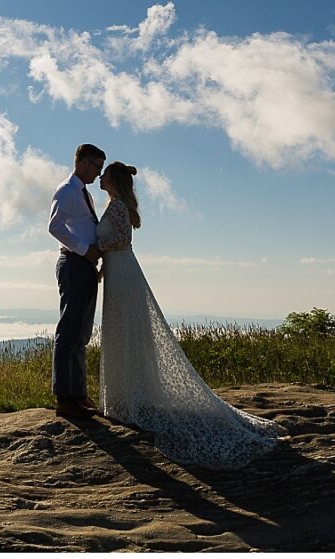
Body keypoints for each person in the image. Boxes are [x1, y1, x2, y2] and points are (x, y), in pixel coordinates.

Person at [95, 160, 286, 468]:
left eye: (104, 175)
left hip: (123, 273)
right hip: (118, 272)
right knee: (123, 331)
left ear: (113, 180)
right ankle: (126, 396)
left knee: (125, 331)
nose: (99, 178)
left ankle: (128, 399)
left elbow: (122, 240)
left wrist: (95, 247)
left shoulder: (116, 207)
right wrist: (103, 266)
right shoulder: (115, 205)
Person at [48, 142, 106, 417]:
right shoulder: (67, 191)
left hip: (84, 265)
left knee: (81, 333)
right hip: (73, 263)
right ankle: (64, 398)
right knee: (69, 331)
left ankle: (78, 393)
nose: (98, 173)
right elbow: (54, 226)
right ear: (83, 162)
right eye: (96, 166)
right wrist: (84, 251)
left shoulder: (83, 194)